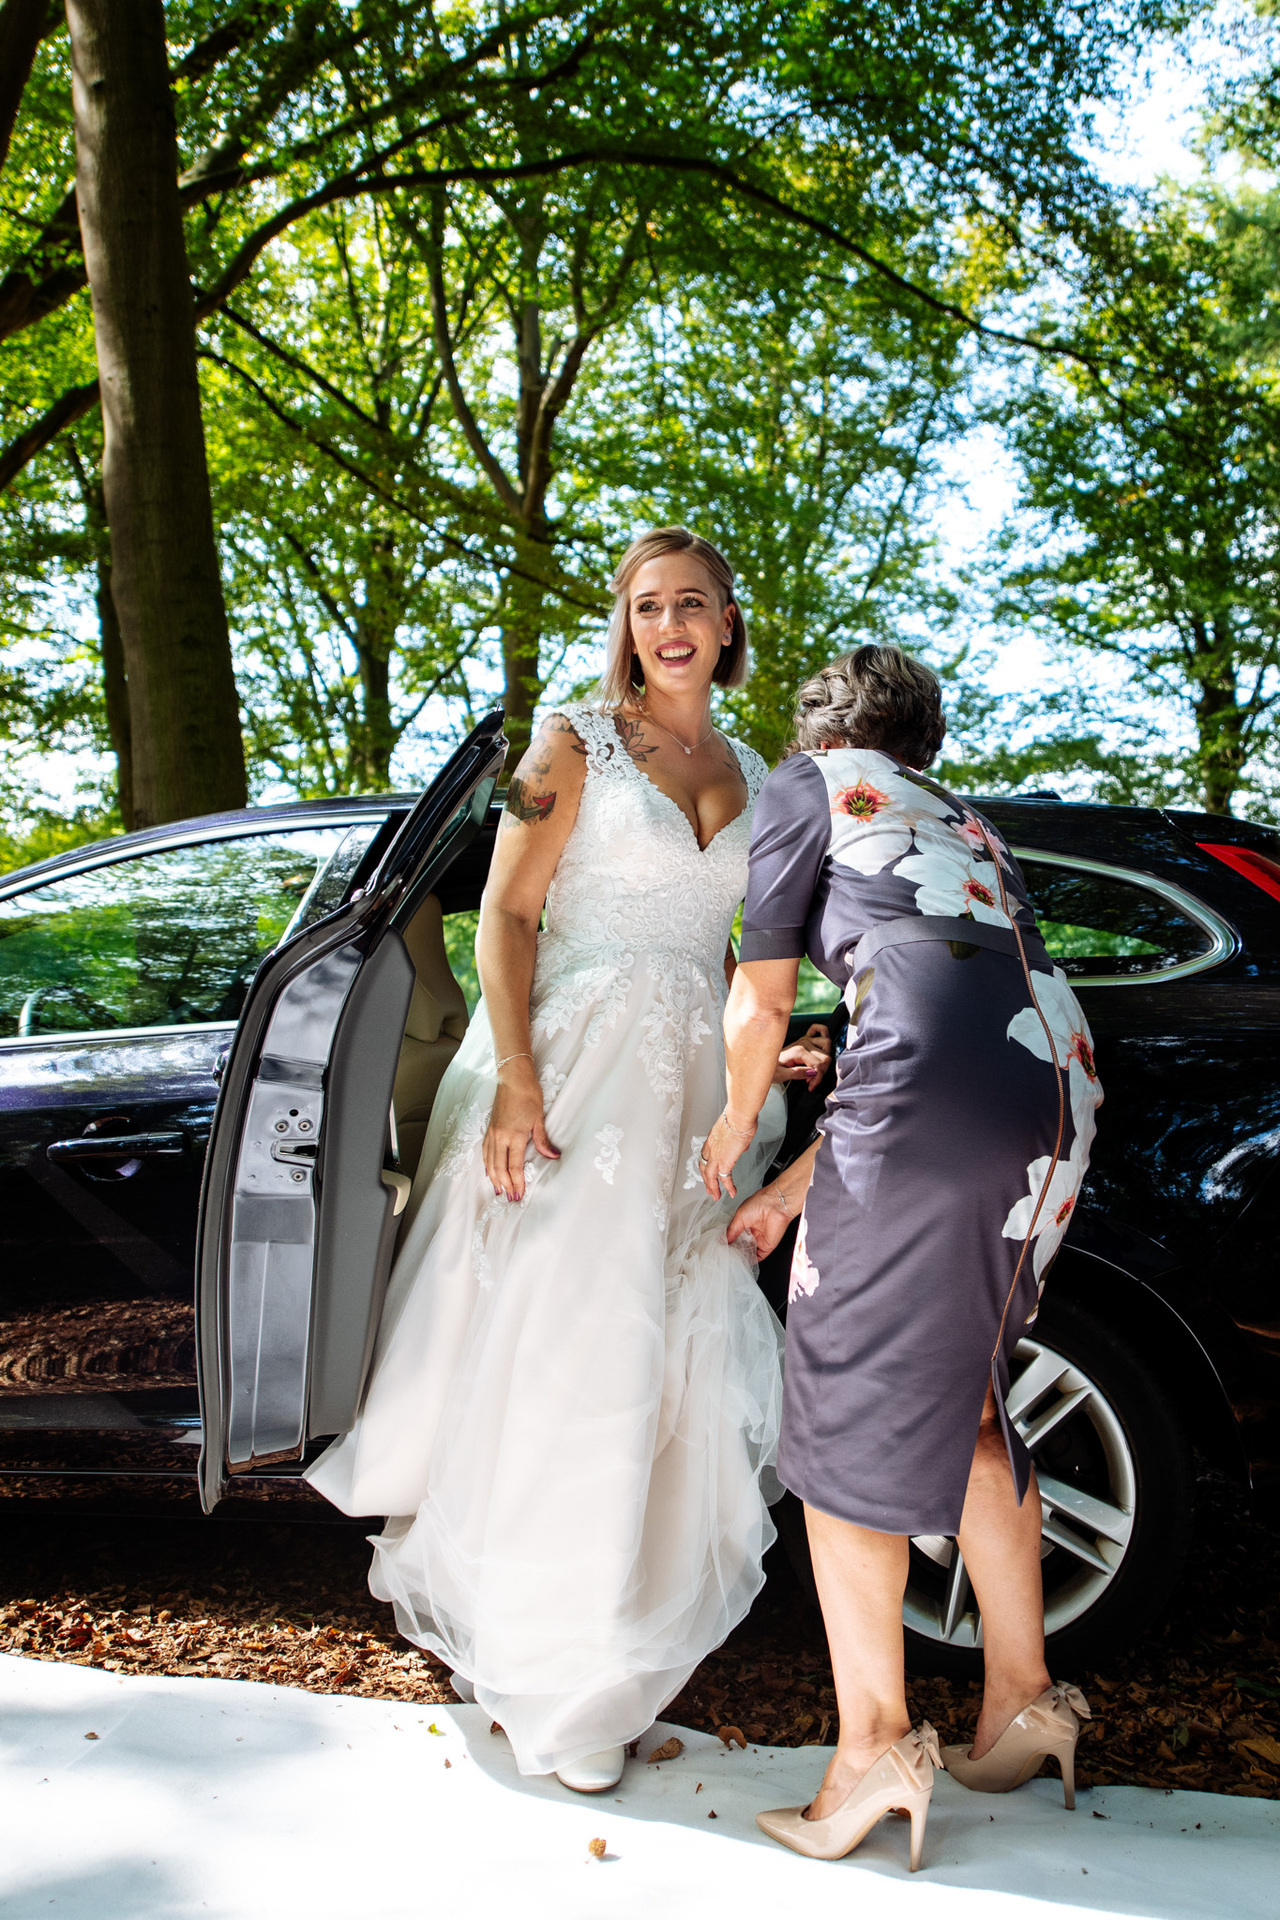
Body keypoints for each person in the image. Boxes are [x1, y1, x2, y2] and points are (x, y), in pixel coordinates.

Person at [307, 527, 829, 1794]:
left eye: (691, 603)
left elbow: (734, 963)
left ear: (724, 620)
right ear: (625, 625)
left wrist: (768, 1060)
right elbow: (505, 912)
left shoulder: (756, 770)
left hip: (697, 1100)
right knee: (569, 1352)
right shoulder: (571, 744)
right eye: (646, 605)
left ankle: (612, 1658)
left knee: (667, 1369)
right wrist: (519, 1085)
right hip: (573, 1081)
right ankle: (550, 1678)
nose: (668, 625)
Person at [700, 645, 1102, 1870]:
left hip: (932, 1101)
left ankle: (870, 1746)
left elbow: (761, 999)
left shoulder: (806, 784)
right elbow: (935, 1022)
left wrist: (731, 1121)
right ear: (920, 737)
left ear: (814, 730)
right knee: (968, 1386)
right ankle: (1019, 1700)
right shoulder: (959, 820)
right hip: (1056, 1090)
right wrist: (791, 1191)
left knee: (852, 1407)